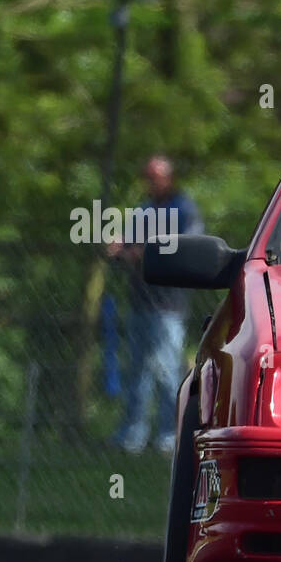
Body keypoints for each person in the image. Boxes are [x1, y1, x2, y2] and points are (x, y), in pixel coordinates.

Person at [107, 156, 203, 453]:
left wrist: (144, 251)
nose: (151, 182)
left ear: (169, 178)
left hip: (168, 305)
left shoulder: (184, 209)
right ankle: (133, 435)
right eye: (147, 176)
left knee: (166, 370)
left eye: (156, 176)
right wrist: (119, 245)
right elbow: (130, 243)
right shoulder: (144, 209)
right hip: (139, 300)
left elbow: (189, 246)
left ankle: (168, 436)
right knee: (137, 370)